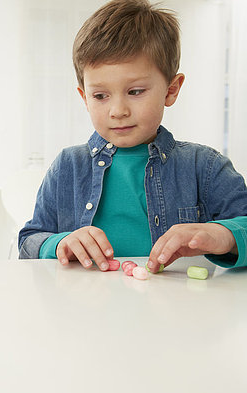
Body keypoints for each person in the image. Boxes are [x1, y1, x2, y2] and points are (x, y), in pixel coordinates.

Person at [18, 0, 247, 272]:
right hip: (83, 308)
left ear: (171, 90)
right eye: (100, 96)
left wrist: (224, 235)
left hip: (178, 309)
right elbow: (29, 241)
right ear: (84, 98)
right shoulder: (68, 166)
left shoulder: (205, 167)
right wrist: (58, 244)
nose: (118, 111)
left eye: (135, 91)